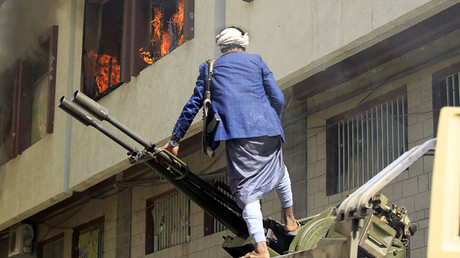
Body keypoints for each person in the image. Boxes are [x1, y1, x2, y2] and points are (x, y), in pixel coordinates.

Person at [161, 27, 299, 258]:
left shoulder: (210, 69)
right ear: (243, 45)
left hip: (239, 134)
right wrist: (271, 119)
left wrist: (175, 139)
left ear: (222, 47)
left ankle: (261, 249)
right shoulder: (256, 61)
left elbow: (193, 105)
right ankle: (290, 221)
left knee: (247, 191)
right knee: (280, 171)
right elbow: (278, 97)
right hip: (269, 129)